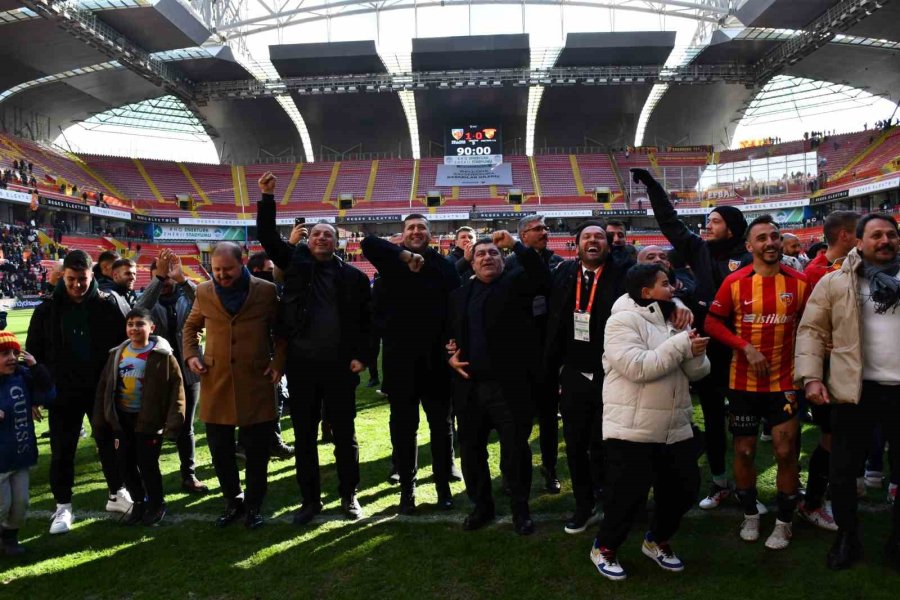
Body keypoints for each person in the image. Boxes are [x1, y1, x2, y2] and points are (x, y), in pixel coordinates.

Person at [546, 221, 682, 535]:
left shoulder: (624, 274)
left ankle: (616, 503)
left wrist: (677, 303)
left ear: (608, 245)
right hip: (574, 373)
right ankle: (583, 505)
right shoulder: (564, 273)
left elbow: (658, 289)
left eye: (599, 237)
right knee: (576, 444)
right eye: (586, 237)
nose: (593, 241)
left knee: (611, 445)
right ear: (576, 244)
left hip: (613, 373)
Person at [632, 167, 752, 511]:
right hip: (709, 348)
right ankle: (719, 482)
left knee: (746, 424)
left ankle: (748, 487)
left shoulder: (749, 259)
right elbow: (670, 222)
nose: (706, 226)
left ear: (732, 227)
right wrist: (653, 187)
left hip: (744, 349)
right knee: (713, 418)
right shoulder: (698, 249)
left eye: (714, 221)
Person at [256, 173, 372, 525]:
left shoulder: (353, 277)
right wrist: (267, 197)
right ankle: (310, 500)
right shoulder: (295, 264)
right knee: (305, 438)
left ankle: (349, 495)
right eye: (316, 234)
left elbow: (367, 321)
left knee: (344, 436)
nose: (321, 238)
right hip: (302, 366)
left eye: (328, 235)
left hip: (339, 367)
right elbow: (267, 237)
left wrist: (363, 355)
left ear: (338, 243)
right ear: (308, 240)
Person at [590, 264, 709, 580]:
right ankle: (604, 547)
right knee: (627, 498)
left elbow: (698, 373)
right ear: (646, 292)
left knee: (684, 490)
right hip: (632, 428)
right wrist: (682, 345)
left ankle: (657, 540)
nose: (673, 288)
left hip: (675, 425)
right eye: (666, 284)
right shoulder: (620, 321)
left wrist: (696, 352)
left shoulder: (675, 318)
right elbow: (638, 367)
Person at [796, 213, 900, 570]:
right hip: (855, 390)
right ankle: (847, 536)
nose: (885, 240)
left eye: (891, 234)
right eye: (876, 235)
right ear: (858, 241)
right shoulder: (835, 281)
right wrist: (811, 377)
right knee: (842, 471)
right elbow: (811, 331)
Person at [705, 215, 809, 550]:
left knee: (785, 451)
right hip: (742, 383)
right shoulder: (734, 282)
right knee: (744, 450)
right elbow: (712, 323)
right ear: (749, 246)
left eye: (774, 236)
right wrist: (745, 347)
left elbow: (812, 326)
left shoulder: (800, 283)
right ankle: (750, 513)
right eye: (761, 238)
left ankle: (784, 523)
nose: (770, 243)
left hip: (784, 382)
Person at [446, 231, 549, 535]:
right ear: (472, 263)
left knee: (515, 451)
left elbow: (542, 275)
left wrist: (516, 244)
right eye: (480, 254)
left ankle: (521, 509)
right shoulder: (459, 295)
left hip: (510, 387)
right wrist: (448, 356)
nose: (487, 257)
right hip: (470, 387)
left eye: (493, 253)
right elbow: (446, 333)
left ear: (504, 260)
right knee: (471, 451)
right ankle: (482, 506)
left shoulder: (518, 284)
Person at [26, 250, 132, 534]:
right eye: (71, 279)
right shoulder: (46, 309)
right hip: (62, 394)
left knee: (110, 444)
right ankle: (63, 506)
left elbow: (127, 344)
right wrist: (35, 393)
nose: (77, 285)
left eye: (82, 279)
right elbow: (33, 353)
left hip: (101, 391)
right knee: (62, 451)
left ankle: (117, 493)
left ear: (91, 275)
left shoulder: (110, 304)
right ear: (63, 276)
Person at [183, 242, 286, 530]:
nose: (221, 275)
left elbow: (281, 331)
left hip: (256, 380)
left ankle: (254, 506)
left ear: (242, 263)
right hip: (216, 382)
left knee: (257, 452)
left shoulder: (266, 291)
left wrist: (278, 362)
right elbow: (190, 327)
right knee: (220, 450)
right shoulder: (204, 291)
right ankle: (233, 501)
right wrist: (191, 355)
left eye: (227, 269)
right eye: (216, 269)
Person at [361, 215, 461, 514]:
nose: (416, 232)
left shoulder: (444, 266)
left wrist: (453, 342)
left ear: (431, 234)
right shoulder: (391, 261)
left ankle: (443, 487)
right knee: (404, 428)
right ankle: (408, 489)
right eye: (411, 228)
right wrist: (404, 255)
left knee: (441, 426)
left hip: (436, 361)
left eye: (422, 228)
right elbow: (368, 242)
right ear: (402, 234)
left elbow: (455, 309)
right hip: (400, 361)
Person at [93, 307, 185, 526]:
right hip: (122, 420)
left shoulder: (163, 355)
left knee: (147, 465)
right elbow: (104, 387)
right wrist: (100, 419)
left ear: (152, 328)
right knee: (125, 465)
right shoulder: (117, 354)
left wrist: (174, 421)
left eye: (140, 324)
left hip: (149, 422)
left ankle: (157, 504)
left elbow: (177, 389)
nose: (134, 328)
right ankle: (139, 502)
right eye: (130, 324)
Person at [797, 211, 860, 531]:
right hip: (829, 369)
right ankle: (813, 501)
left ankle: (840, 488)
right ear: (846, 235)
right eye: (860, 232)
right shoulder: (816, 272)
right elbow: (811, 325)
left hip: (856, 367)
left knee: (849, 437)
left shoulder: (862, 268)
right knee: (832, 438)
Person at [505, 214, 564, 494]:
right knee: (518, 421)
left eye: (545, 228)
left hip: (548, 354)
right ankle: (513, 471)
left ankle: (550, 469)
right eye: (537, 228)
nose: (544, 232)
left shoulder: (556, 262)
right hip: (518, 355)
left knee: (549, 419)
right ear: (523, 235)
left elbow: (549, 286)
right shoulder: (508, 264)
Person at [143, 251, 208, 493]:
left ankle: (188, 475)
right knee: (153, 427)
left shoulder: (187, 297)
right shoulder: (149, 301)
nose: (166, 281)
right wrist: (159, 280)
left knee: (186, 426)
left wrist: (183, 279)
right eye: (160, 276)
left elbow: (207, 301)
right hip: (158, 374)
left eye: (168, 276)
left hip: (189, 372)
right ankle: (149, 477)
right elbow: (138, 310)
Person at [0, 332, 55, 555]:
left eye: (15, 352)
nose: (12, 358)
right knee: (2, 505)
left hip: (21, 454)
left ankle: (9, 539)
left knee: (21, 503)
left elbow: (49, 395)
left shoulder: (23, 376)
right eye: (5, 353)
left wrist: (36, 368)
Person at [246, 250, 295, 461]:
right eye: (270, 269)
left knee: (272, 400)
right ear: (257, 271)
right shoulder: (253, 293)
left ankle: (253, 443)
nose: (274, 273)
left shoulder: (266, 290)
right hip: (260, 356)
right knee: (271, 400)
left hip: (271, 353)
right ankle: (271, 443)